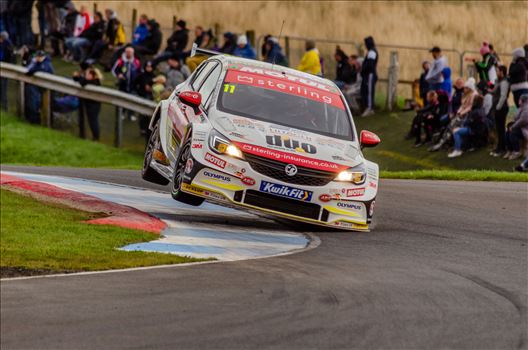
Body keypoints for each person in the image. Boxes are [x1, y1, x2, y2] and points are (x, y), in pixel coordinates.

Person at [24, 50, 55, 124]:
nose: (37, 58)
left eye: (39, 57)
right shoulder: (35, 62)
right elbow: (29, 69)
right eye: (37, 56)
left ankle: (43, 121)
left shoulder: (47, 63)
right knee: (33, 102)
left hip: (47, 87)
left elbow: (40, 69)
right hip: (37, 86)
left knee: (42, 105)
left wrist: (33, 69)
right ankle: (33, 120)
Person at [73, 66, 102, 140]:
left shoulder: (95, 82)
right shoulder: (89, 81)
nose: (86, 76)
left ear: (92, 76)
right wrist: (77, 77)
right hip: (88, 102)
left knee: (93, 120)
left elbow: (83, 82)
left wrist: (78, 77)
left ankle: (96, 137)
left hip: (94, 103)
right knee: (88, 119)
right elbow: (81, 80)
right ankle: (86, 135)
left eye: (87, 74)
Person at [490, 65, 510, 157]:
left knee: (501, 129)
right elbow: (495, 92)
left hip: (501, 108)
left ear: (502, 72)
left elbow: (503, 96)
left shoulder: (504, 82)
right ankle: (499, 147)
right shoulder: (499, 81)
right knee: (498, 129)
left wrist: (498, 107)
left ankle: (502, 149)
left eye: (497, 71)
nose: (496, 73)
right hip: (497, 108)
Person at [504, 94, 528, 160]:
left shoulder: (526, 108)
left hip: (525, 129)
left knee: (513, 133)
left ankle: (516, 151)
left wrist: (513, 126)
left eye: (520, 99)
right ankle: (510, 150)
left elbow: (523, 120)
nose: (518, 100)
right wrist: (511, 125)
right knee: (507, 131)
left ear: (523, 100)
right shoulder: (520, 107)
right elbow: (516, 118)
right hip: (520, 127)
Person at [360, 36, 378, 117]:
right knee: (367, 91)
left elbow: (370, 64)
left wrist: (364, 70)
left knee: (369, 91)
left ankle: (370, 108)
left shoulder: (372, 52)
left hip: (370, 74)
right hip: (368, 74)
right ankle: (368, 107)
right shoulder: (371, 51)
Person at [0, 31, 15, 111]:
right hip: (5, 67)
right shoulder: (8, 45)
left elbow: (8, 57)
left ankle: (4, 106)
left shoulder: (7, 45)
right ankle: (3, 106)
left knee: (3, 87)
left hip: (5, 68)